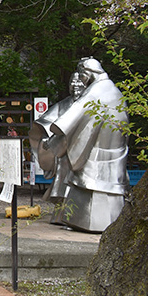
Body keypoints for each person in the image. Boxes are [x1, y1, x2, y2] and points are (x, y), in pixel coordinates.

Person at [41, 57, 129, 232]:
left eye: (80, 77)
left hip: (100, 150)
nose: (78, 83)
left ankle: (91, 223)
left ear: (87, 74)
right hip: (114, 150)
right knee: (106, 186)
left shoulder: (97, 90)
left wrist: (53, 142)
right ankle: (99, 222)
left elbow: (71, 120)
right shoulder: (113, 91)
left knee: (91, 183)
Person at [29, 72, 85, 225]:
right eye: (73, 82)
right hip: (65, 154)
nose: (76, 86)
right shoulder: (64, 104)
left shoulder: (90, 105)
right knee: (64, 183)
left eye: (80, 82)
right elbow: (46, 121)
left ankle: (79, 217)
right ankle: (61, 215)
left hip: (85, 154)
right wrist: (49, 138)